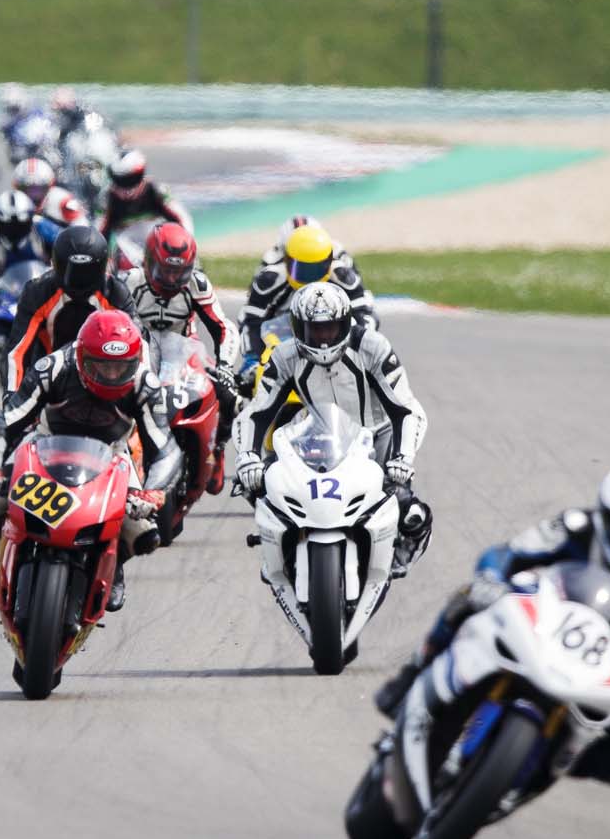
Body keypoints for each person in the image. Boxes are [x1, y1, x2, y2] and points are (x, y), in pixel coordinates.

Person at [374, 463, 610, 787]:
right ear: (606, 514)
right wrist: (491, 578)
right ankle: (414, 674)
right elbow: (506, 554)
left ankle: (545, 764)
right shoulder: (575, 525)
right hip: (544, 619)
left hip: (607, 659)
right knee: (470, 597)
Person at [0, 309, 180, 607]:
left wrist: (153, 492)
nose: (111, 375)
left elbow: (165, 447)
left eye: (121, 368)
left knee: (144, 527)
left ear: (135, 361)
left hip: (113, 451)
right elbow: (5, 421)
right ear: (81, 358)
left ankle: (114, 562)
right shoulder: (52, 367)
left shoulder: (145, 384)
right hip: (46, 439)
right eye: (101, 367)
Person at [233, 281, 431, 579]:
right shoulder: (285, 357)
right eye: (315, 330)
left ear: (345, 324)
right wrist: (247, 456)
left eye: (330, 329)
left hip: (378, 435)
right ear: (299, 328)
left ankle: (397, 553)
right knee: (260, 487)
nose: (323, 340)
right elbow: (256, 412)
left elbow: (405, 408)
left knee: (411, 512)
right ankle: (280, 555)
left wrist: (402, 458)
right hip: (321, 437)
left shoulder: (373, 347)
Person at [121, 222, 241, 493]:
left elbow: (223, 327)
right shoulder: (129, 283)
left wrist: (224, 367)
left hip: (186, 354)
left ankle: (217, 450)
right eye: (165, 271)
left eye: (180, 272)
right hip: (140, 357)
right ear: (149, 262)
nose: (173, 279)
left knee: (231, 397)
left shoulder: (197, 284)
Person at [3, 224, 134, 395]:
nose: (79, 280)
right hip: (51, 389)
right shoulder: (38, 291)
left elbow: (139, 344)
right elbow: (16, 352)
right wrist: (11, 397)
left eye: (87, 273)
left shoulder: (116, 292)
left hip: (107, 386)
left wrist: (146, 394)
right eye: (72, 272)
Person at [238, 218, 375, 382]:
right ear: (286, 259)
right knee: (244, 386)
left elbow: (364, 313)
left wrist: (362, 352)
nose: (309, 277)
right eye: (300, 268)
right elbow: (250, 320)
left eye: (317, 268)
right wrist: (253, 360)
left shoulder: (342, 275)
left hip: (334, 343)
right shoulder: (269, 278)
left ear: (329, 261)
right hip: (283, 341)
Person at [97, 149, 193, 239]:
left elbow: (182, 218)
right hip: (124, 251)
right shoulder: (106, 197)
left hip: (157, 245)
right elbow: (98, 231)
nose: (125, 186)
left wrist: (186, 241)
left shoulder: (157, 189)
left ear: (139, 174)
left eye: (129, 179)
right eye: (118, 180)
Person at [12, 157, 86, 247]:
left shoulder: (64, 200)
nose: (33, 195)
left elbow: (83, 230)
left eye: (38, 189)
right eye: (27, 189)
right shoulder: (10, 203)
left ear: (49, 186)